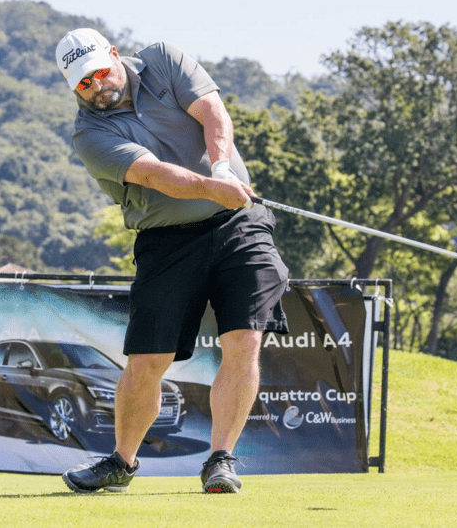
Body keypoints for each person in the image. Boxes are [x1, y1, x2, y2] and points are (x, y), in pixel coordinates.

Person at [55, 28, 290, 494]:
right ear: (73, 88)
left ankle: (220, 459)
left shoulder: (163, 59)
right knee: (148, 359)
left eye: (102, 71)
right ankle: (122, 463)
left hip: (239, 224)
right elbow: (153, 174)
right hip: (166, 241)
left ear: (115, 55)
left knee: (244, 339)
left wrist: (221, 170)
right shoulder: (89, 133)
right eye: (84, 83)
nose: (98, 86)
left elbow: (212, 111)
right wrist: (209, 186)